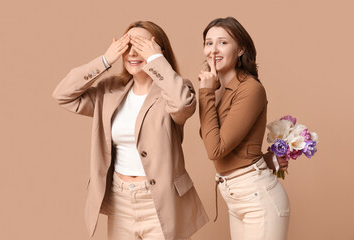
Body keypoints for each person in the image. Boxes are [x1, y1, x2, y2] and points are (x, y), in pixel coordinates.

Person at [53, 20, 208, 240]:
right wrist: (105, 60)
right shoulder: (109, 91)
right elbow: (62, 95)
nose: (132, 53)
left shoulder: (177, 88)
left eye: (141, 46)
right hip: (120, 200)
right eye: (127, 46)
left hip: (161, 201)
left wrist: (156, 60)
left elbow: (183, 106)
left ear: (158, 51)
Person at [198, 17, 290, 240]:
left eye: (222, 43)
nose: (213, 50)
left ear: (240, 49)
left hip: (257, 198)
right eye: (208, 43)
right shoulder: (216, 88)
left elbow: (215, 150)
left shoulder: (250, 89)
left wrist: (205, 93)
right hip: (235, 197)